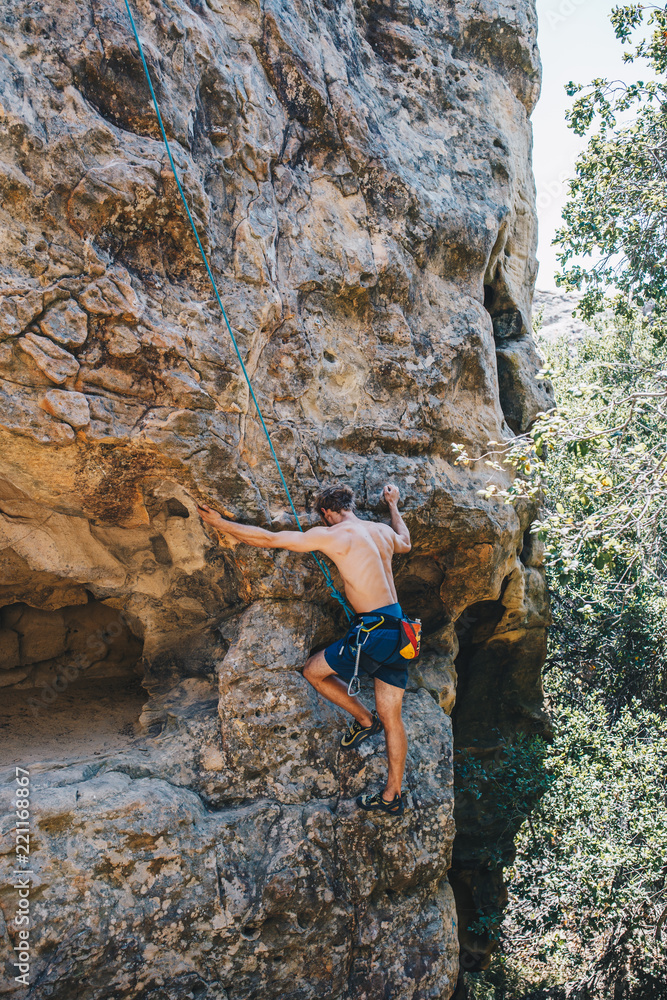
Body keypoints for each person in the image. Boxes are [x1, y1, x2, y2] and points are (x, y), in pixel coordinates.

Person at [196, 482, 413, 817]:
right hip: (400, 632)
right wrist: (393, 504)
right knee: (393, 718)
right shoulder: (381, 530)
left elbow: (269, 539)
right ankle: (392, 794)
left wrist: (222, 524)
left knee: (313, 670)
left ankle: (362, 718)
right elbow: (406, 543)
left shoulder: (334, 535)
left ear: (326, 513)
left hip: (370, 633)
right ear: (349, 504)